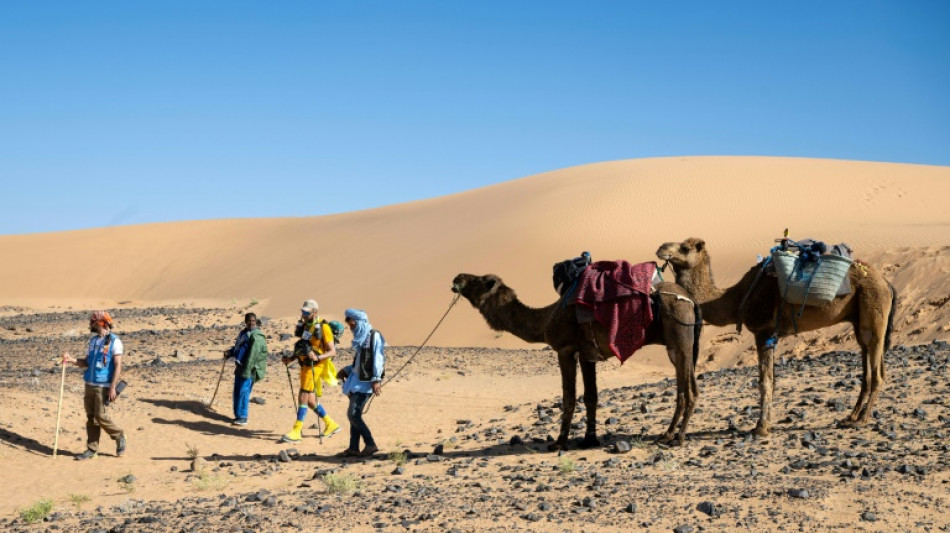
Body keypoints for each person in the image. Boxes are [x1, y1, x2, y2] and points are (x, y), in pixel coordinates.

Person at [62, 310, 127, 460]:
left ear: (102, 323)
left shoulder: (115, 342)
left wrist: (112, 387)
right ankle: (92, 450)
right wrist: (71, 360)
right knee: (91, 418)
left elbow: (117, 365)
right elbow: (86, 362)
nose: (91, 325)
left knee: (101, 415)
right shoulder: (93, 342)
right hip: (89, 384)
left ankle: (119, 435)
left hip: (103, 385)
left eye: (94, 322)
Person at [280, 299, 340, 442]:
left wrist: (317, 357)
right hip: (304, 365)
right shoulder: (307, 326)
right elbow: (304, 346)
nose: (304, 314)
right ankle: (331, 424)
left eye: (307, 312)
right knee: (311, 401)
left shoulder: (324, 328)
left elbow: (333, 352)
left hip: (314, 367)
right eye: (303, 311)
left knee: (303, 394)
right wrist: (291, 358)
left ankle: (297, 430)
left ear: (315, 312)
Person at [337, 308, 385, 457]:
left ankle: (370, 444)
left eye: (353, 325)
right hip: (356, 380)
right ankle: (353, 448)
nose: (351, 329)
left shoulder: (374, 336)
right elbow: (360, 362)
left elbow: (378, 358)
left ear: (359, 323)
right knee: (355, 415)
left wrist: (376, 379)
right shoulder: (361, 338)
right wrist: (347, 370)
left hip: (366, 383)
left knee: (353, 414)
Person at [224, 312, 268, 426]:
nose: (251, 323)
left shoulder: (256, 335)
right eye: (249, 321)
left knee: (244, 391)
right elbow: (238, 347)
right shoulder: (243, 333)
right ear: (245, 322)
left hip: (249, 369)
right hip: (240, 367)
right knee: (237, 392)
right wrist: (230, 353)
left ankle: (243, 417)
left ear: (256, 321)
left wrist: (247, 370)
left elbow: (253, 356)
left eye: (253, 321)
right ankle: (238, 416)